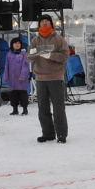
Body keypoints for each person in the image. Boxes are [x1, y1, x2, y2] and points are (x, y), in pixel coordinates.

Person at [28, 14, 69, 144]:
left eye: (47, 21)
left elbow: (65, 56)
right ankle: (48, 133)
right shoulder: (35, 40)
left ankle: (61, 134)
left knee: (58, 108)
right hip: (40, 78)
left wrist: (50, 55)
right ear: (39, 24)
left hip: (55, 77)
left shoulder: (58, 39)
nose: (44, 23)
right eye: (42, 21)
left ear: (51, 23)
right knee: (42, 108)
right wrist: (34, 55)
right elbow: (28, 57)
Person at [2, 37, 30, 116]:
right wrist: (6, 76)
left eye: (19, 43)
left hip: (21, 79)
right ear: (12, 45)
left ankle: (25, 109)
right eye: (15, 43)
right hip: (12, 78)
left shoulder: (24, 54)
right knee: (13, 94)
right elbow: (6, 65)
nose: (17, 45)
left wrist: (23, 75)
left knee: (23, 94)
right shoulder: (9, 54)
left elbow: (25, 66)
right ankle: (15, 109)